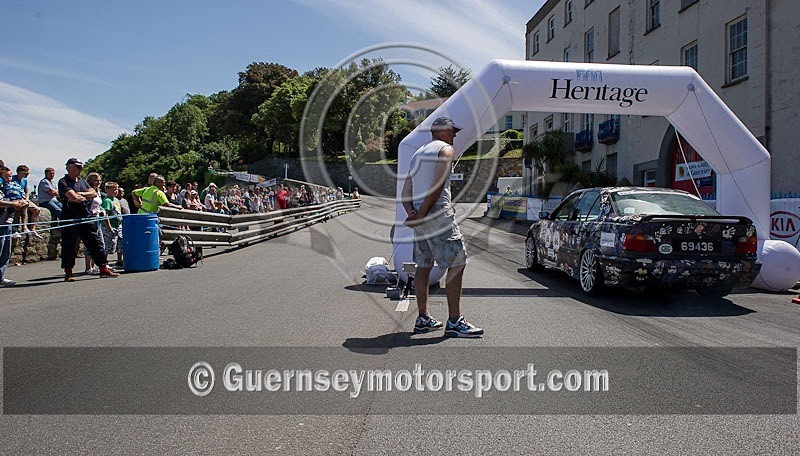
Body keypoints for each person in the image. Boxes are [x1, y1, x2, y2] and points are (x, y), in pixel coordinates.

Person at [401, 117, 483, 338]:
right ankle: (455, 321)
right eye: (453, 131)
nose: (455, 135)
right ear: (443, 131)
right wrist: (425, 211)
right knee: (457, 262)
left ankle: (423, 318)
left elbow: (405, 191)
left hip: (419, 211)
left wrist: (413, 213)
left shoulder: (417, 154)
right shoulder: (445, 150)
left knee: (423, 265)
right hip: (436, 210)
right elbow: (438, 184)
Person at [58, 158, 118, 281]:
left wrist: (82, 195)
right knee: (69, 245)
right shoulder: (63, 182)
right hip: (70, 217)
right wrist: (80, 195)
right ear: (69, 167)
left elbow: (93, 194)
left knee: (95, 242)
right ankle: (68, 272)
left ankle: (103, 268)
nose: (80, 169)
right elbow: (74, 197)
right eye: (78, 167)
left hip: (86, 216)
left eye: (81, 167)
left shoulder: (82, 182)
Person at [0, 166, 26, 287]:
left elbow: (19, 196)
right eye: (6, 176)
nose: (9, 179)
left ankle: (0, 277)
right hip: (1, 222)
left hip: (8, 221)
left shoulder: (12, 186)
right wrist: (12, 203)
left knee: (6, 252)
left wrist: (20, 201)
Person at [1, 165, 42, 239]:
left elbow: (25, 191)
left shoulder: (24, 180)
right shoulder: (12, 179)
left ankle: (32, 229)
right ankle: (21, 228)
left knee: (36, 209)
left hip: (23, 198)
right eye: (26, 173)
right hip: (14, 199)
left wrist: (25, 198)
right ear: (20, 173)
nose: (27, 175)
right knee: (20, 207)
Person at [101, 181, 123, 267]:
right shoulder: (107, 201)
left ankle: (119, 260)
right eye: (113, 189)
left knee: (120, 244)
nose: (116, 191)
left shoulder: (116, 200)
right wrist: (109, 227)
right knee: (107, 245)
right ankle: (104, 263)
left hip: (118, 225)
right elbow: (105, 215)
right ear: (107, 190)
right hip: (109, 227)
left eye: (117, 189)